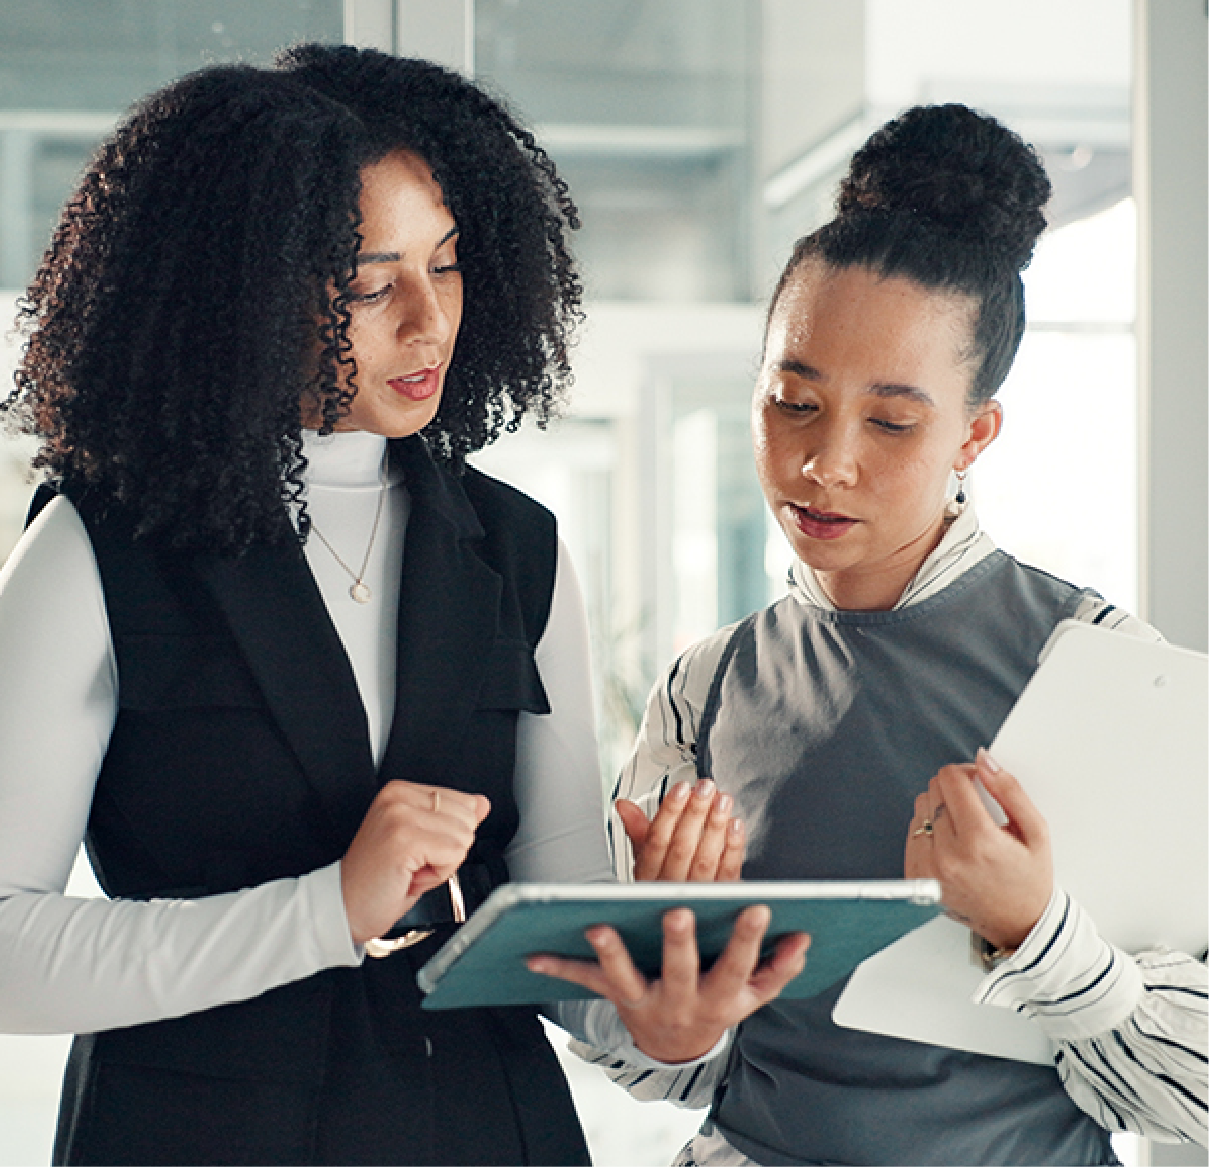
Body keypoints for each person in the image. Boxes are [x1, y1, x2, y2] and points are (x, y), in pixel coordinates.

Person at [0, 45, 804, 1167]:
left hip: (484, 1131)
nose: (428, 322)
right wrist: (324, 911)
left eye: (450, 263)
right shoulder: (96, 548)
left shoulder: (520, 549)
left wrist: (657, 1013)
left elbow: (550, 929)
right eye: (372, 283)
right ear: (242, 287)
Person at [556, 104, 1208, 1165]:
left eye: (892, 422)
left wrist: (1037, 932)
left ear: (975, 432)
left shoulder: (1102, 664)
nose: (827, 463)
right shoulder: (707, 686)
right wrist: (669, 1025)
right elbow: (676, 1064)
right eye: (793, 402)